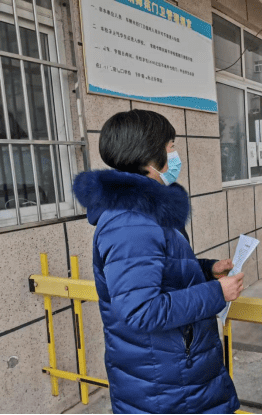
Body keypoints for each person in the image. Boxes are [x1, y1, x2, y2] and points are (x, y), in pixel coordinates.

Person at [73, 110, 242, 414]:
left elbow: (158, 269)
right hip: (165, 384)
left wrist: (206, 270)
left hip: (171, 375)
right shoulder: (130, 221)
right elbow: (141, 310)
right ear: (149, 155)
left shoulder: (141, 211)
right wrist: (216, 293)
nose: (174, 155)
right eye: (171, 146)